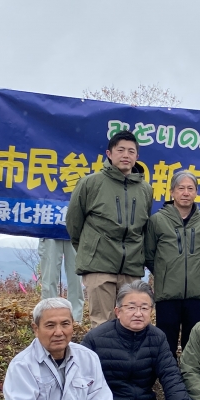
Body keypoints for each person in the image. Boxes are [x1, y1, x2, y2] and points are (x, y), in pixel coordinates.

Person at [66, 130, 153, 328]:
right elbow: (74, 222)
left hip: (131, 266)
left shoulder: (145, 189)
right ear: (109, 153)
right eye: (120, 150)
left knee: (132, 321)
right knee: (102, 324)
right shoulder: (91, 183)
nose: (126, 155)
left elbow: (143, 227)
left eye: (131, 151)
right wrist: (90, 250)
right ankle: (100, 360)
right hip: (99, 264)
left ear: (137, 157)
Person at [145, 170, 200, 356]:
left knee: (193, 341)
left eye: (190, 188)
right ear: (172, 192)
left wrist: (197, 272)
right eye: (181, 188)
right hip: (167, 293)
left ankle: (190, 379)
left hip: (195, 293)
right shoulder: (157, 220)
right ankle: (168, 380)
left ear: (196, 192)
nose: (185, 193)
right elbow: (149, 255)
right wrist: (165, 272)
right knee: (166, 340)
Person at [38, 238, 84, 323]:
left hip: (74, 229)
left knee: (76, 280)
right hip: (50, 230)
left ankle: (75, 321)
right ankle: (49, 317)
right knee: (49, 279)